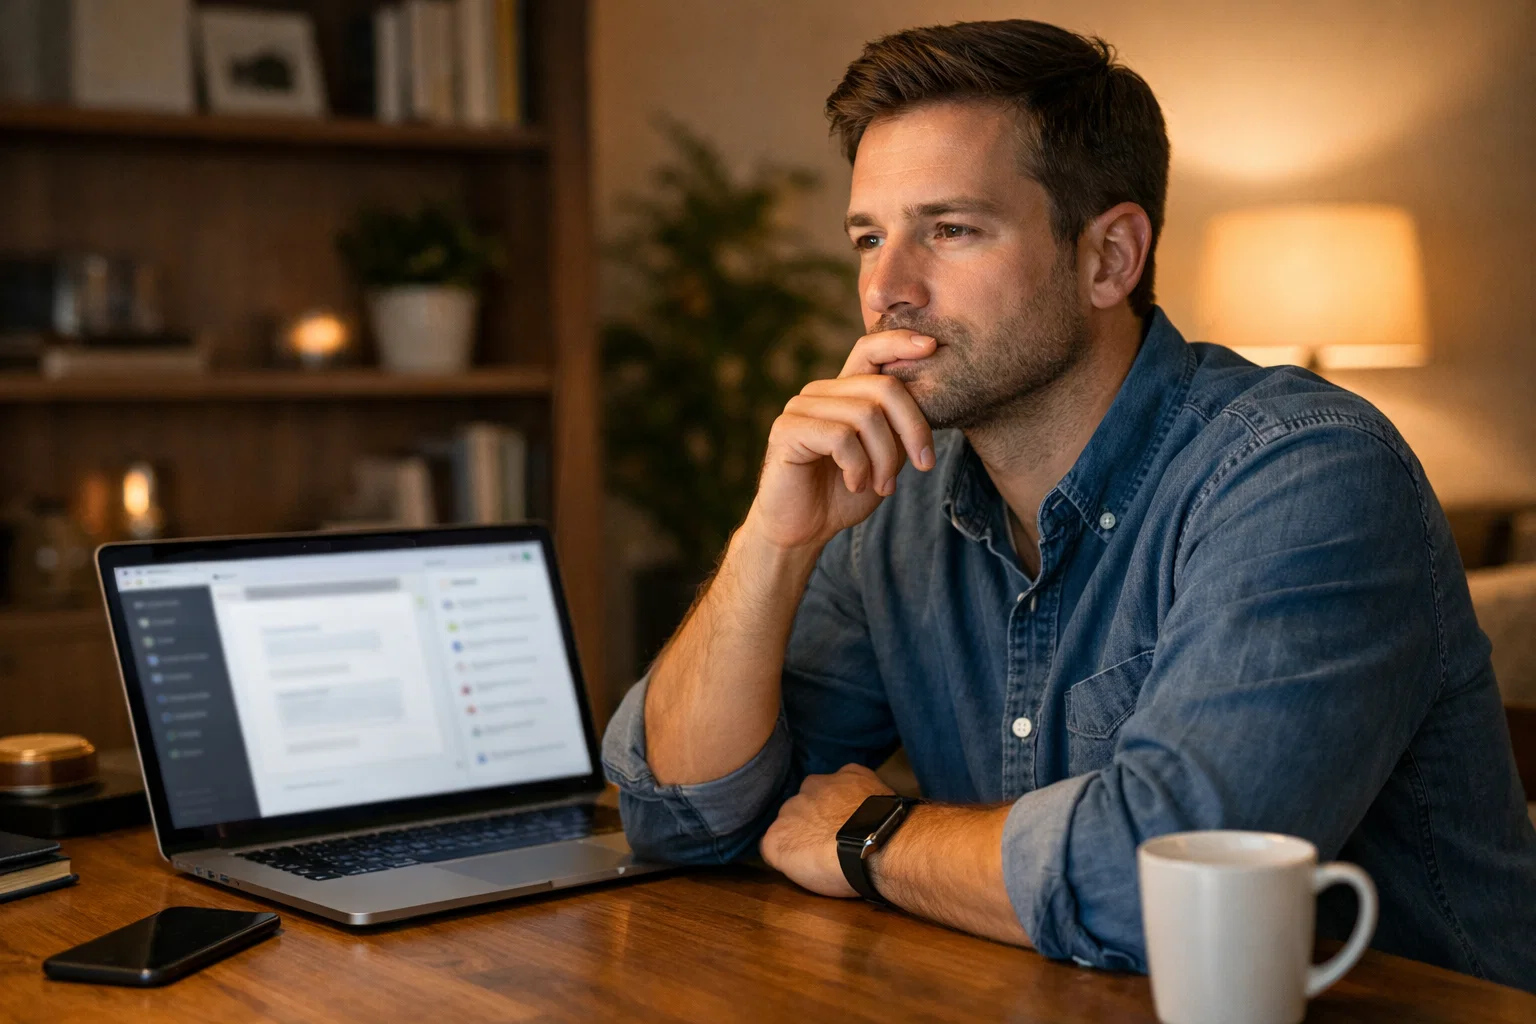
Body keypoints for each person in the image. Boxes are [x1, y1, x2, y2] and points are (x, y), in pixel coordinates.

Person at [601, 19, 1536, 991]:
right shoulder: (900, 497)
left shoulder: (1304, 475)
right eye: (869, 237)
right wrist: (774, 539)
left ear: (1109, 258)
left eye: (950, 230)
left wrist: (872, 833)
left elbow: (1163, 889)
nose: (885, 289)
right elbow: (682, 814)